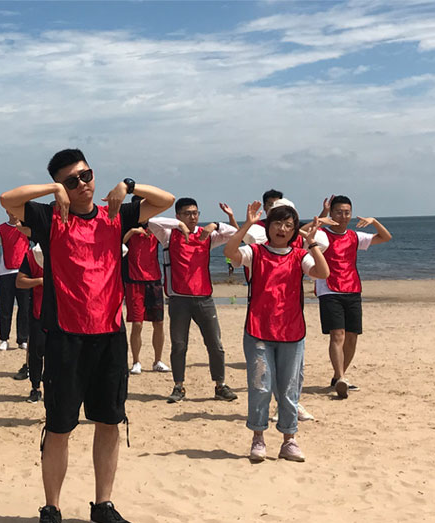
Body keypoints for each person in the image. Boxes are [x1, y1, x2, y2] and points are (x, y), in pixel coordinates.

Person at [1, 148, 174, 523]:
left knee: (110, 423)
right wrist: (52, 191)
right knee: (59, 426)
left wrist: (128, 185)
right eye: (71, 181)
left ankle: (103, 505)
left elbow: (165, 200)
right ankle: (51, 509)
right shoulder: (49, 217)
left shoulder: (117, 213)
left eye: (86, 175)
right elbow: (8, 200)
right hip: (65, 336)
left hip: (109, 335)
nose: (82, 184)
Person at [224, 201, 330, 463]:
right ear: (268, 226)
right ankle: (258, 438)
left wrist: (312, 243)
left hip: (291, 332)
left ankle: (289, 440)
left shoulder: (299, 256)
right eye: (277, 223)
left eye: (288, 225)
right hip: (258, 330)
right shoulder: (255, 252)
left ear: (294, 231)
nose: (282, 229)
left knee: (289, 389)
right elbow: (230, 252)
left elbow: (322, 272)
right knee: (260, 387)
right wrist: (247, 224)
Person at [148, 199, 241, 403]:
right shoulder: (168, 235)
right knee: (179, 345)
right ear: (178, 216)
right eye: (187, 213)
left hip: (204, 298)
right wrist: (178, 226)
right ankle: (178, 386)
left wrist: (216, 224)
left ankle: (220, 385)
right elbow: (152, 222)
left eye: (195, 213)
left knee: (215, 345)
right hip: (178, 300)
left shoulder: (206, 236)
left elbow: (236, 234)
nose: (192, 217)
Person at [312, 196, 393, 397]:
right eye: (339, 212)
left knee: (352, 337)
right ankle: (340, 377)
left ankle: (339, 377)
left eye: (347, 212)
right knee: (337, 334)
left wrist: (374, 221)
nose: (343, 216)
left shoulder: (355, 236)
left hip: (353, 289)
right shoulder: (321, 235)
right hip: (329, 289)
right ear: (332, 213)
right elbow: (300, 234)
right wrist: (320, 220)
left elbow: (385, 237)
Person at [121, 197, 168, 378]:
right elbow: (118, 245)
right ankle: (136, 361)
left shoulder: (155, 227)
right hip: (134, 280)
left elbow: (172, 227)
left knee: (159, 323)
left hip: (154, 279)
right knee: (137, 324)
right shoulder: (127, 226)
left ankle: (158, 360)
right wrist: (132, 231)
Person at [0, 213, 31, 353]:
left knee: (25, 307)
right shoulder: (1, 229)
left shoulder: (27, 227)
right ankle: (4, 339)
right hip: (6, 272)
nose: (14, 213)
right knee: (5, 307)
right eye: (11, 209)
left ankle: (23, 339)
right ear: (7, 211)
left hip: (24, 272)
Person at [15, 241, 46, 403]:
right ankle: (36, 387)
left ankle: (54, 387)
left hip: (62, 312)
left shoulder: (66, 249)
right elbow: (20, 281)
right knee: (36, 352)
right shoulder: (33, 255)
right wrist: (40, 281)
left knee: (59, 353)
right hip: (38, 311)